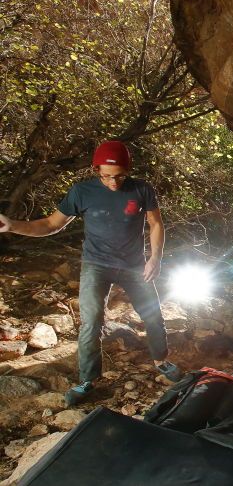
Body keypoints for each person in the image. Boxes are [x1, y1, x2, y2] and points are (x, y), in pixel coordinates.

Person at [0, 141, 182, 406]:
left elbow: (156, 223)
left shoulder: (142, 189)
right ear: (96, 169)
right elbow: (51, 224)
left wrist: (155, 258)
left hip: (134, 265)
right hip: (96, 264)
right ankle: (87, 381)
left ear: (128, 170)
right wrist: (12, 225)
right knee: (91, 321)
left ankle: (161, 360)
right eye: (107, 176)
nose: (113, 182)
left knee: (153, 315)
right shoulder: (82, 192)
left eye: (119, 175)